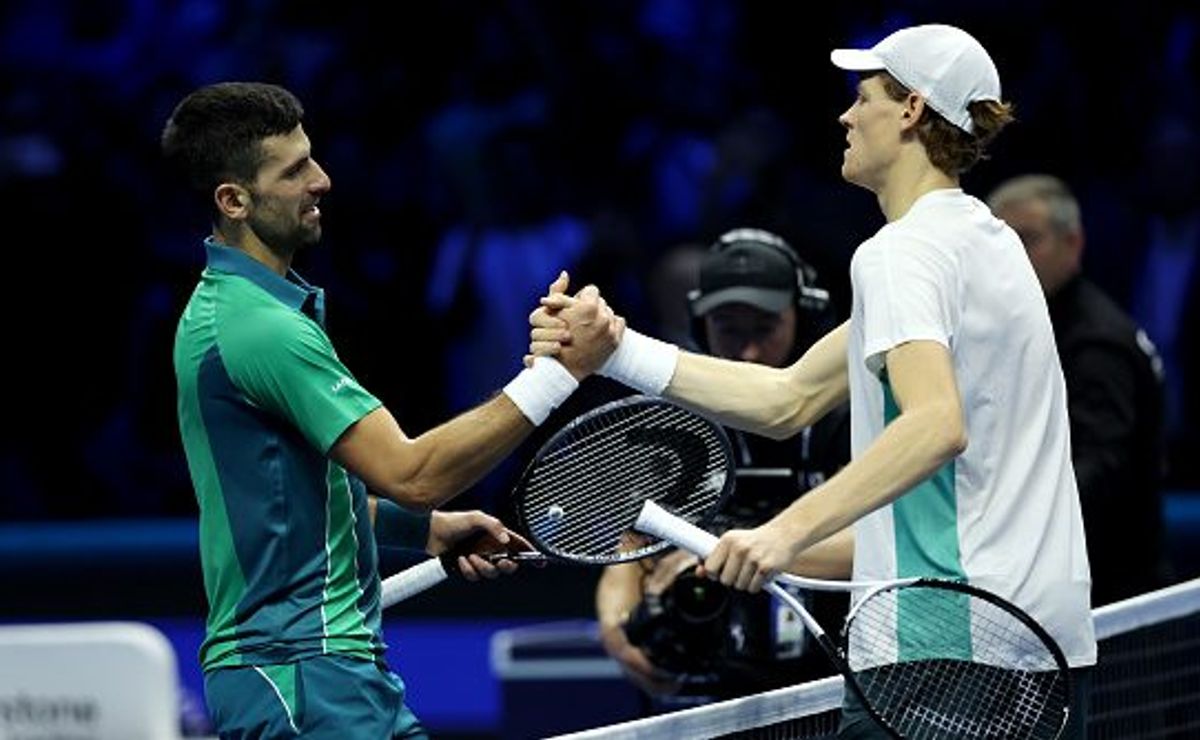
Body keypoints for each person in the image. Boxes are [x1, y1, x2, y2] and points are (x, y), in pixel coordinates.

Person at [531, 24, 1097, 737]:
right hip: (1044, 642)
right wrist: (613, 351)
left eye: (864, 98)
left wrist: (783, 534)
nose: (845, 116)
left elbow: (935, 424)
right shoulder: (991, 245)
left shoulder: (901, 254)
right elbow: (788, 397)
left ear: (911, 110)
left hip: (944, 643)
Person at [161, 81, 619, 739]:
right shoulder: (258, 329)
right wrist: (559, 374)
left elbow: (292, 501)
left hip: (327, 674)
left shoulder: (239, 311)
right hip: (302, 677)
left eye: (312, 158)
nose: (322, 180)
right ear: (233, 201)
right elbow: (413, 474)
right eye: (294, 171)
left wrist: (427, 531)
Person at [597, 227, 851, 704]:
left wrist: (718, 553)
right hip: (716, 684)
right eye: (729, 329)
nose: (748, 351)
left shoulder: (852, 412)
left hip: (840, 676)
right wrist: (618, 635)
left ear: (806, 317)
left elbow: (877, 544)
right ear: (700, 325)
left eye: (765, 328)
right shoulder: (679, 424)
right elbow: (629, 553)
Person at [987, 174, 1171, 606]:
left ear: (1073, 243)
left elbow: (1101, 467)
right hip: (1063, 578)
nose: (1013, 256)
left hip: (1112, 590)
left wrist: (1011, 529)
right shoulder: (1027, 326)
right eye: (1003, 242)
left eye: (1029, 239)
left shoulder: (1096, 342)